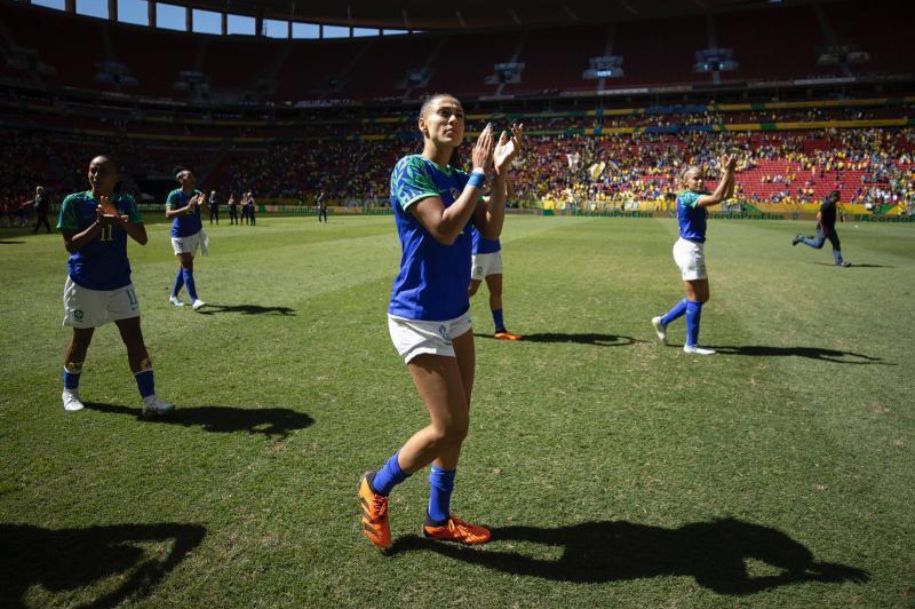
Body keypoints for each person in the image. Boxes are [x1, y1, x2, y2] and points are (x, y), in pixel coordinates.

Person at [357, 92, 522, 550]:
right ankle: (377, 485)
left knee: (459, 424)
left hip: (456, 315)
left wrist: (499, 176)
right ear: (423, 125)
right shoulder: (411, 168)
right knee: (447, 426)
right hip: (418, 316)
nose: (453, 118)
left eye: (460, 113)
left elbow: (489, 229)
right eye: (443, 112)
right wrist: (477, 172)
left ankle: (438, 518)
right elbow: (445, 227)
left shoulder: (456, 175)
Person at [57, 155, 174, 416]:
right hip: (84, 282)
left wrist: (119, 219)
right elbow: (70, 244)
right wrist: (98, 225)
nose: (96, 176)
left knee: (135, 338)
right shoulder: (74, 202)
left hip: (120, 282)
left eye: (103, 172)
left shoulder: (126, 202)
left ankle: (150, 400)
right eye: (92, 171)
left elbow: (142, 238)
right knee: (82, 339)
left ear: (116, 177)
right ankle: (70, 392)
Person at [651, 155, 736, 355]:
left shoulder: (696, 194)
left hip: (692, 248)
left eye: (701, 178)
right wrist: (725, 173)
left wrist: (731, 172)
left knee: (702, 296)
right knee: (696, 298)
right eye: (695, 178)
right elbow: (716, 198)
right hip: (689, 249)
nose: (700, 181)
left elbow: (726, 195)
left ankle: (663, 321)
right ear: (685, 182)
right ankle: (691, 345)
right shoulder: (687, 196)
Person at [468, 178, 521, 340]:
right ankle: (445, 318)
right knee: (470, 291)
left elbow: (510, 196)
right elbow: (502, 197)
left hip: (493, 251)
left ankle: (500, 329)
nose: (485, 186)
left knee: (496, 291)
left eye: (485, 184)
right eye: (482, 183)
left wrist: (506, 175)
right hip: (479, 252)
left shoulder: (489, 199)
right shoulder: (475, 200)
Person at [165, 169, 208, 310]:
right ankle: (195, 299)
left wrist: (203, 205)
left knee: (184, 266)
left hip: (195, 234)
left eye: (191, 175)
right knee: (188, 266)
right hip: (179, 235)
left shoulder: (197, 193)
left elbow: (207, 213)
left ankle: (173, 296)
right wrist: (188, 207)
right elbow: (168, 214)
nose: (191, 176)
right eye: (187, 175)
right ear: (181, 180)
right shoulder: (174, 194)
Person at [792, 190, 851, 267]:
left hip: (830, 228)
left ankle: (839, 262)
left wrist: (842, 216)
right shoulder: (826, 204)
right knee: (818, 245)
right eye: (839, 196)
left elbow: (841, 219)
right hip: (823, 229)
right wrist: (823, 227)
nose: (840, 197)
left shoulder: (834, 205)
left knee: (836, 243)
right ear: (835, 197)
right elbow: (818, 216)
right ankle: (801, 238)